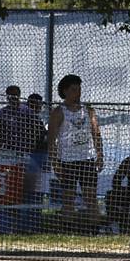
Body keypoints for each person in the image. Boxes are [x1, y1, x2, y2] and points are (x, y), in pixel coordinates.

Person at [47, 74, 104, 228]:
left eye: (79, 89)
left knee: (91, 197)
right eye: (73, 90)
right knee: (68, 198)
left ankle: (94, 229)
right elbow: (51, 140)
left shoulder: (88, 111)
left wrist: (100, 154)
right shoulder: (59, 112)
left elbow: (96, 133)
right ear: (65, 91)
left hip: (87, 159)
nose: (77, 93)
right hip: (67, 161)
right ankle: (67, 228)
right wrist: (55, 163)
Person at [0, 85, 34, 154]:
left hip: (25, 147)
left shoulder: (27, 111)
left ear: (19, 95)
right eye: (10, 95)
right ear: (7, 97)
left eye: (15, 95)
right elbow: (0, 132)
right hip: (9, 147)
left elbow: (32, 130)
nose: (13, 98)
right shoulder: (3, 112)